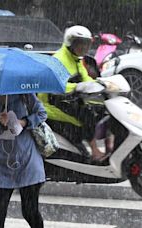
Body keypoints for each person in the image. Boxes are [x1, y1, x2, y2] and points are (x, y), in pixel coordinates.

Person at [38, 25, 112, 162]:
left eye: (86, 44)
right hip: (51, 102)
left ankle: (109, 148)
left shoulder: (76, 59)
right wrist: (79, 87)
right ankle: (95, 150)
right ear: (71, 43)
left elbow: (86, 79)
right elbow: (56, 86)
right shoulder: (59, 60)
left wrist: (101, 85)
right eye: (80, 44)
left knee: (103, 109)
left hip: (66, 99)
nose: (84, 48)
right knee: (87, 113)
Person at [0, 92, 47, 228]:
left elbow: (41, 114)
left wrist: (24, 122)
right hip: (2, 163)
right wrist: (0, 125)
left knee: (29, 212)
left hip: (28, 160)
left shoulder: (24, 95)